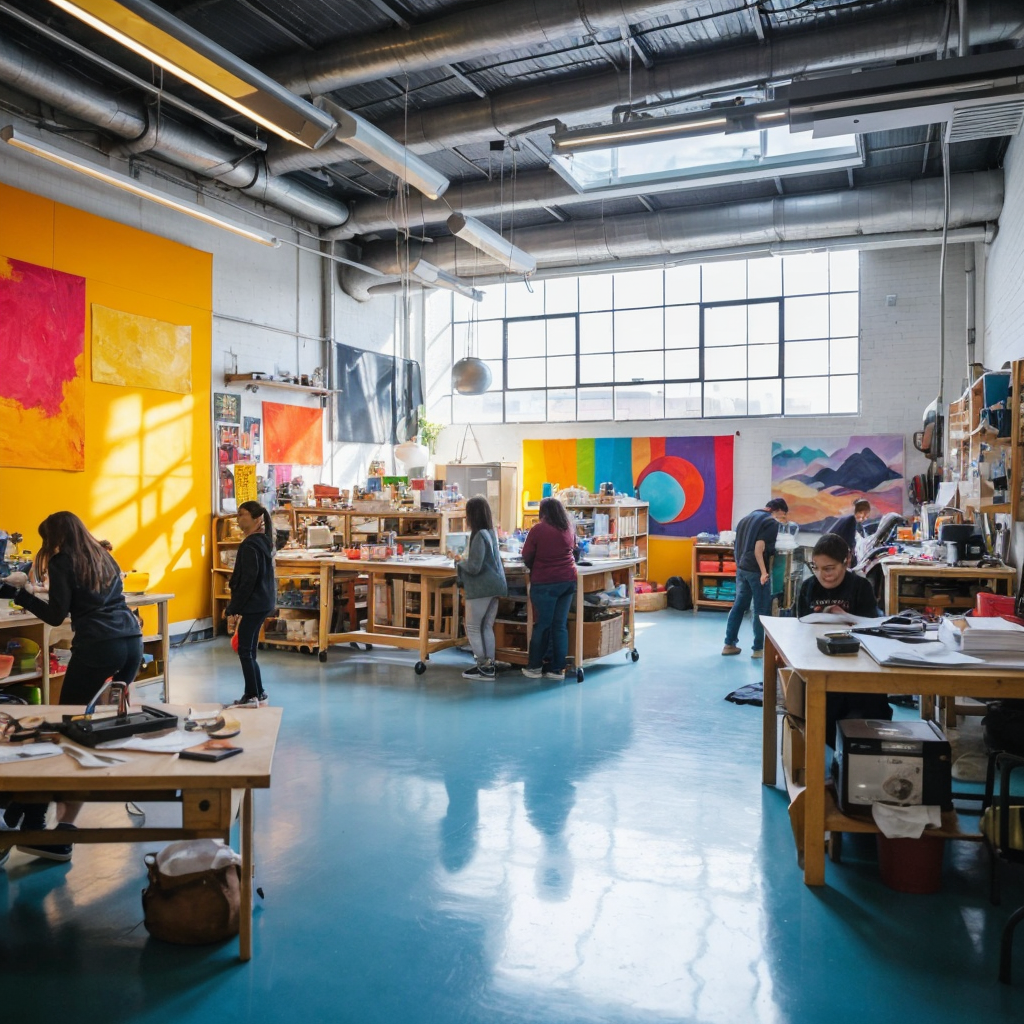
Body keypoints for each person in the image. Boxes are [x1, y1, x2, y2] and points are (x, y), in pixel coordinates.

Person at [0, 511, 143, 862]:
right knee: (88, 731)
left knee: (65, 729)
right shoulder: (102, 555)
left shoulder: (63, 560)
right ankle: (38, 817)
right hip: (132, 643)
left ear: (55, 537)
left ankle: (32, 813)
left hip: (99, 645)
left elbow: (55, 615)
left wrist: (18, 595)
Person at [797, 533, 892, 746]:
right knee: (824, 706)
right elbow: (800, 625)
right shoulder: (808, 587)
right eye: (816, 568)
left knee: (869, 704)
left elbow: (870, 627)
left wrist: (845, 617)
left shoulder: (860, 587)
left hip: (857, 663)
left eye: (829, 568)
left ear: (846, 562)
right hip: (819, 659)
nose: (823, 575)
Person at [723, 498, 789, 659]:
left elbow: (736, 546)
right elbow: (759, 548)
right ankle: (758, 648)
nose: (783, 519)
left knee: (739, 605)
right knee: (761, 608)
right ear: (778, 510)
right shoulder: (770, 522)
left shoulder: (745, 519)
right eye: (783, 515)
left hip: (742, 568)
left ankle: (729, 644)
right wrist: (764, 572)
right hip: (756, 570)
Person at [225, 500, 276, 709]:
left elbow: (247, 581)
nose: (238, 519)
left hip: (255, 603)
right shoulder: (262, 541)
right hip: (263, 602)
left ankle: (252, 694)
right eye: (238, 515)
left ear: (256, 518)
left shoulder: (250, 545)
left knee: (245, 650)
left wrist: (233, 607)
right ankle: (259, 692)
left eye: (242, 514)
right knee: (249, 650)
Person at [450, 495, 507, 680]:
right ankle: (489, 664)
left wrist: (459, 561)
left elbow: (474, 566)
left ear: (472, 515)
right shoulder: (491, 533)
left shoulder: (479, 536)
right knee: (486, 626)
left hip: (482, 588)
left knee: (473, 627)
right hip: (496, 586)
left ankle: (483, 666)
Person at [521, 497, 577, 681]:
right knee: (559, 625)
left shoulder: (539, 529)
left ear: (543, 512)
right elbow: (574, 549)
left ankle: (534, 667)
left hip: (545, 582)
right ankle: (557, 669)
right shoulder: (568, 527)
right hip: (568, 580)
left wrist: (535, 566)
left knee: (542, 625)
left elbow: (526, 555)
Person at [827, 499, 872, 566]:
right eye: (861, 513)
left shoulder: (856, 524)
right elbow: (849, 541)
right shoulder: (851, 520)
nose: (864, 517)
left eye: (866, 514)